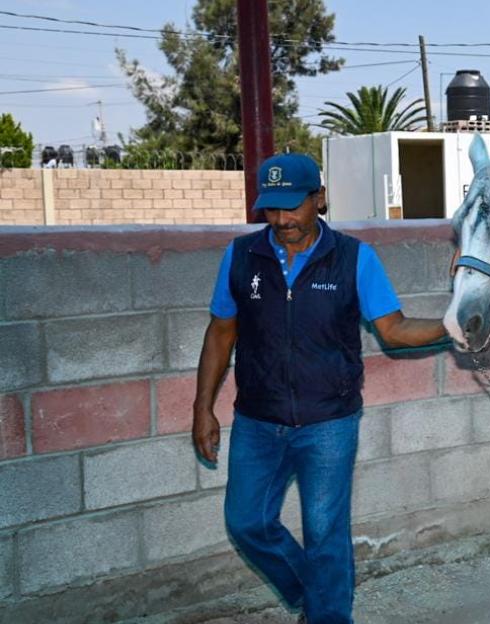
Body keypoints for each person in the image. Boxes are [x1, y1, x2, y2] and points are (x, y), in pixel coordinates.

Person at [191, 153, 447, 624]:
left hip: (329, 423)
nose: (282, 220)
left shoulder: (353, 258)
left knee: (325, 533)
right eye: (272, 209)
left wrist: (453, 325)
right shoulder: (242, 256)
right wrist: (202, 408)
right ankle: (315, 597)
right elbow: (221, 332)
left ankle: (328, 616)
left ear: (319, 199)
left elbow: (393, 330)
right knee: (247, 522)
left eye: (293, 207)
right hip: (257, 422)